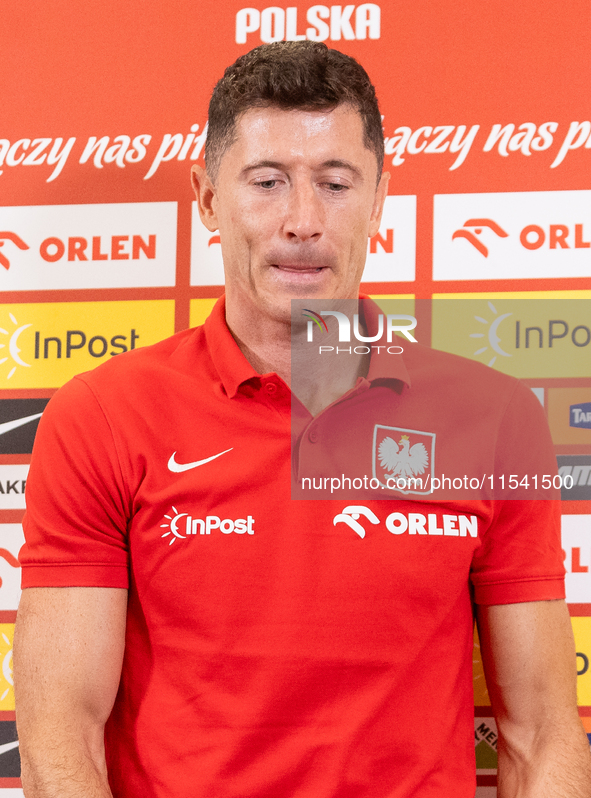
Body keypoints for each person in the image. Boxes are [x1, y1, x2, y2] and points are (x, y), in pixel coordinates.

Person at [14, 41, 591, 798]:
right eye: (266, 181)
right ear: (207, 198)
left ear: (380, 198)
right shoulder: (105, 414)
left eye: (335, 181)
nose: (303, 220)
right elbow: (61, 734)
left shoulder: (493, 416)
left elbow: (541, 730)